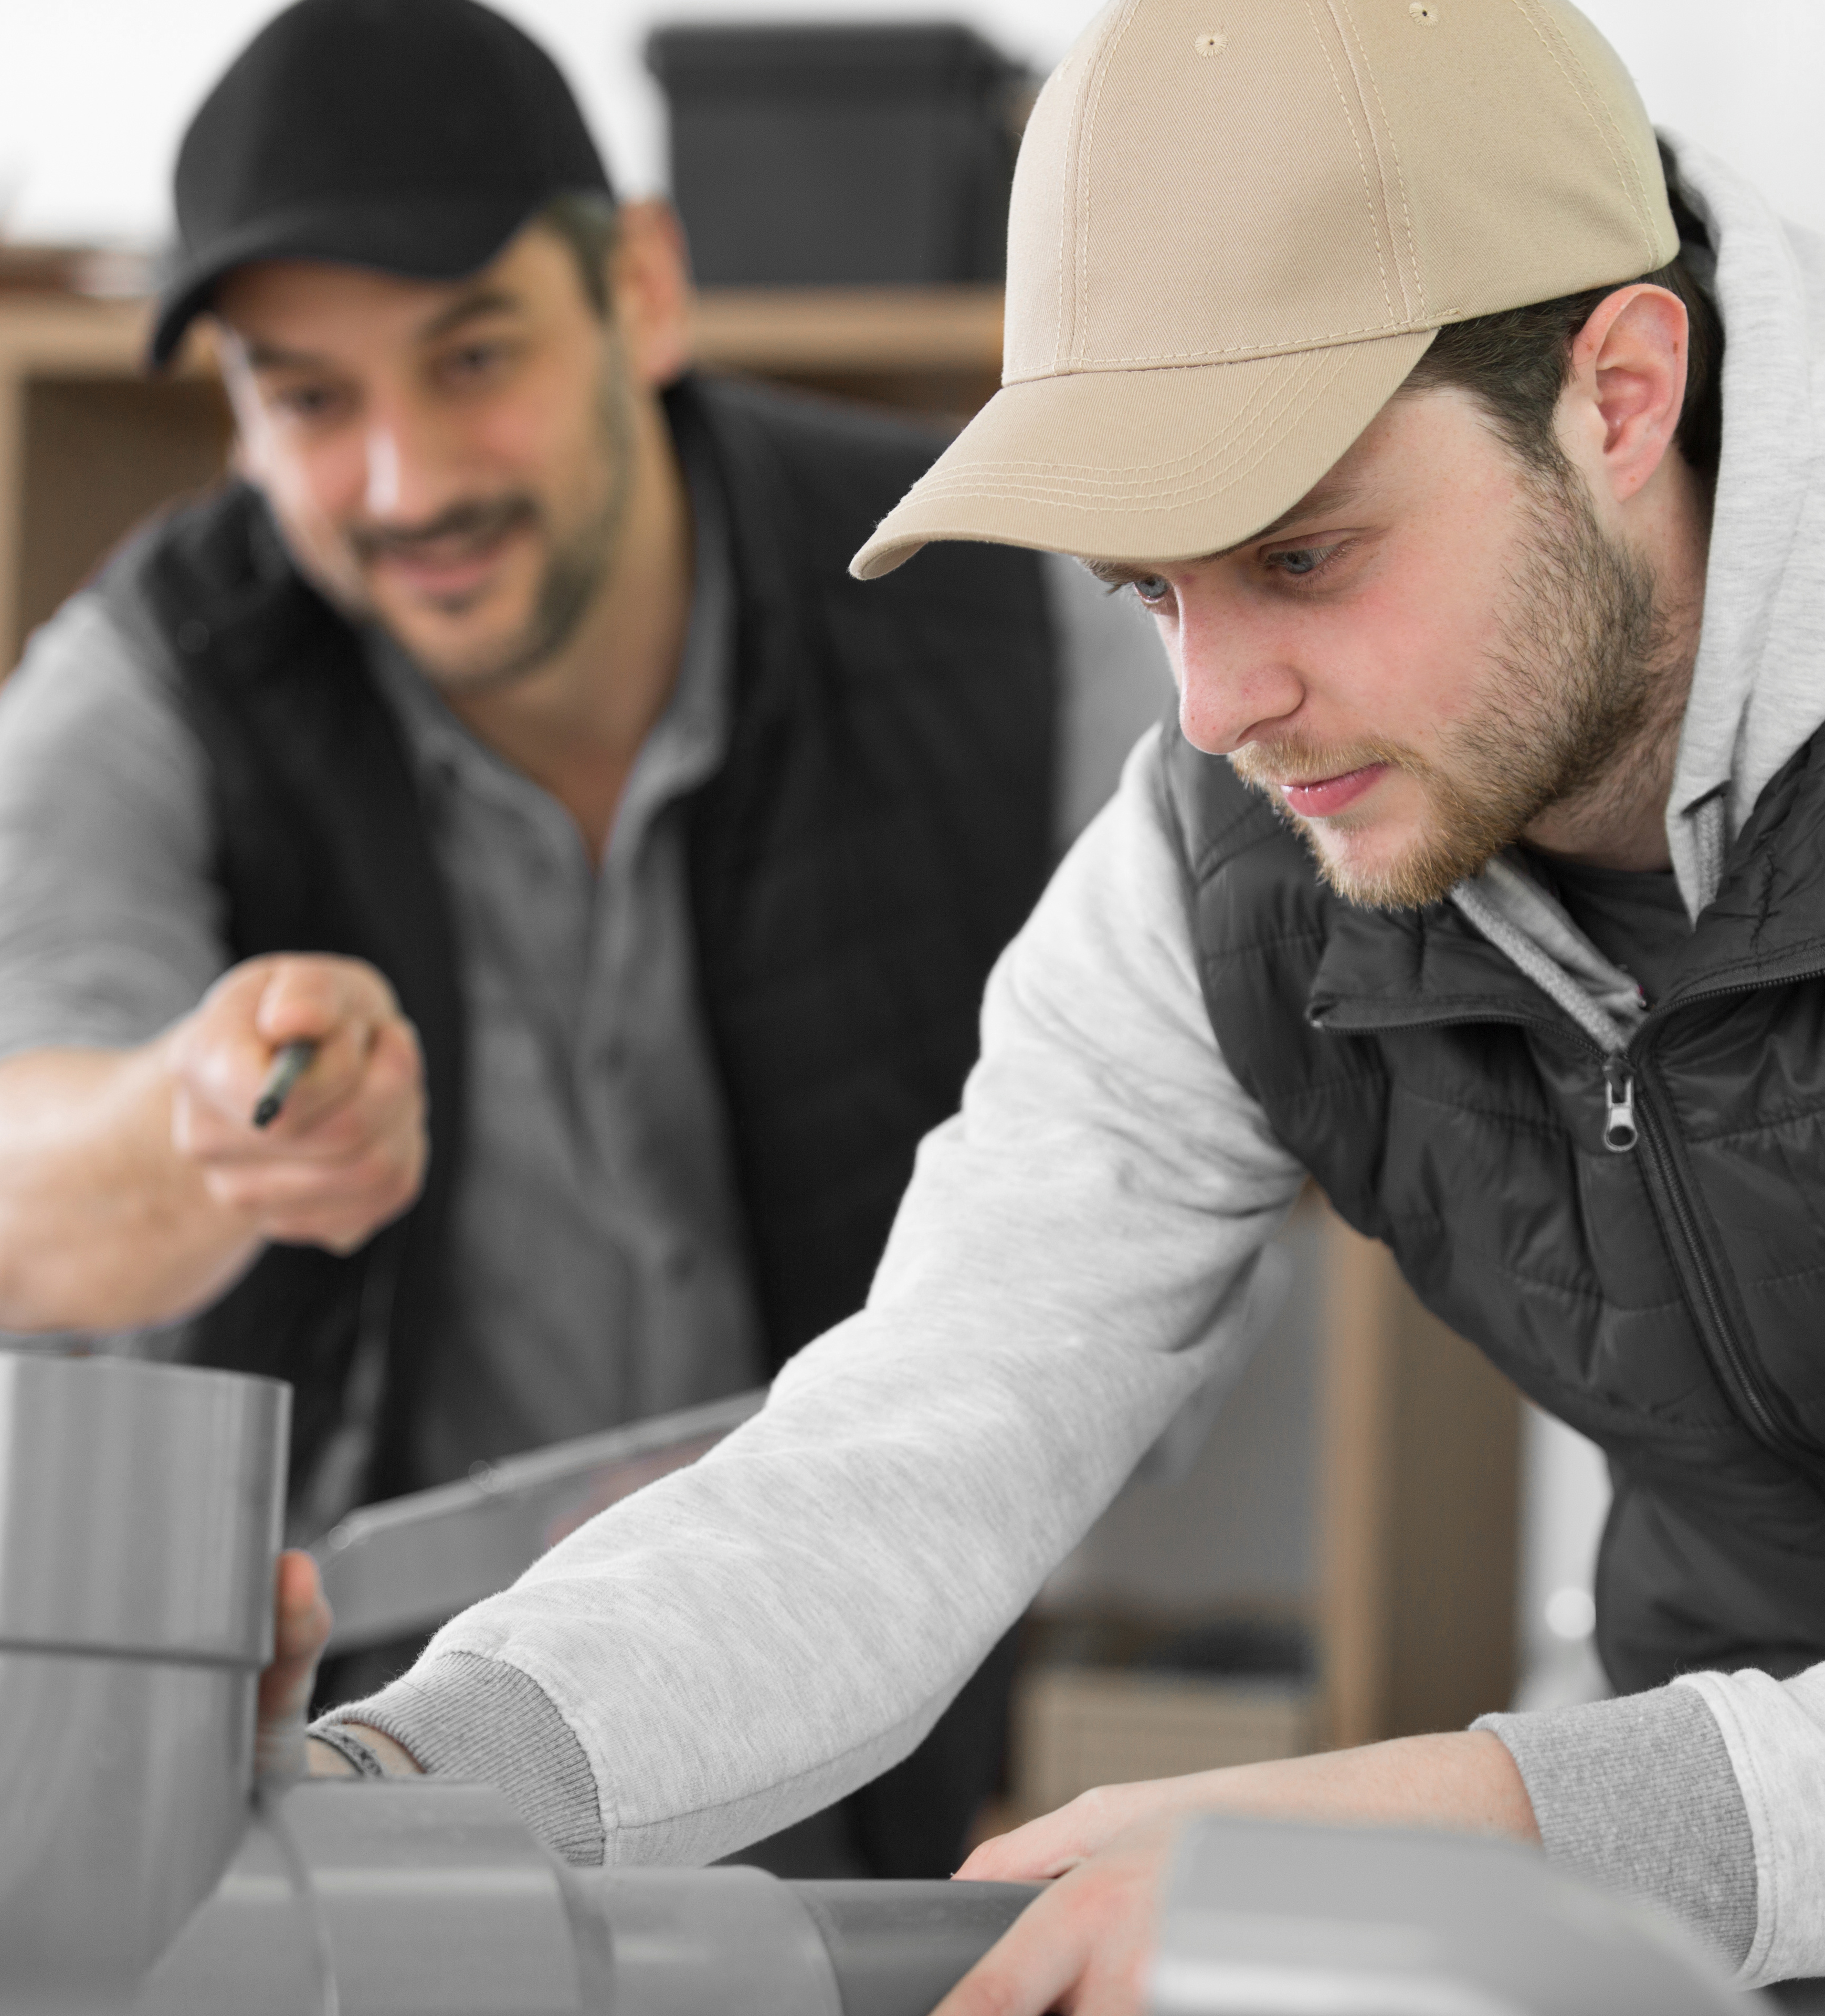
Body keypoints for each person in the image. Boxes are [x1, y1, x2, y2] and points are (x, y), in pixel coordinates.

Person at [261, 0, 1825, 2002]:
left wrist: (1487, 1835)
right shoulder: (1228, 865)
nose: (1215, 706)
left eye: (1301, 552)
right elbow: (913, 1450)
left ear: (1617, 392)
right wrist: (402, 1793)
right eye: (1154, 592)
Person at [0, 0, 1169, 1878]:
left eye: (473, 358)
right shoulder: (139, 690)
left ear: (641, 290)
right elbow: (19, 1191)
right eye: (307, 399)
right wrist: (193, 1124)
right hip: (328, 1795)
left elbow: (1190, 1153)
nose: (405, 480)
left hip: (855, 1744)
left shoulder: (1010, 619)